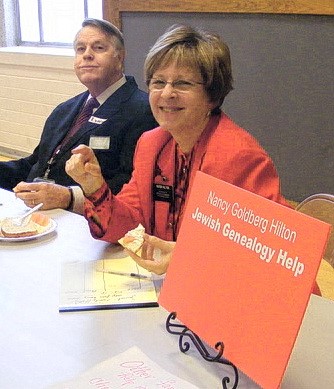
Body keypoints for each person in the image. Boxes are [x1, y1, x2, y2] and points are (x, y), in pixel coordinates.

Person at [65, 24, 292, 271]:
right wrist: (94, 187)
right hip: (169, 283)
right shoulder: (151, 144)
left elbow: (271, 253)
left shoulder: (238, 156)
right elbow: (123, 225)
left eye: (183, 84)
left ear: (212, 96)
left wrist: (191, 258)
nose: (167, 94)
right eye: (158, 82)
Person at [0, 18, 157, 213]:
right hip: (33, 214)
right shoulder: (64, 110)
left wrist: (69, 197)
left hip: (88, 222)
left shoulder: (143, 111)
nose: (87, 55)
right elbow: (35, 165)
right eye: (80, 49)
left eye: (98, 48)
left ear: (120, 57)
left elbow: (132, 184)